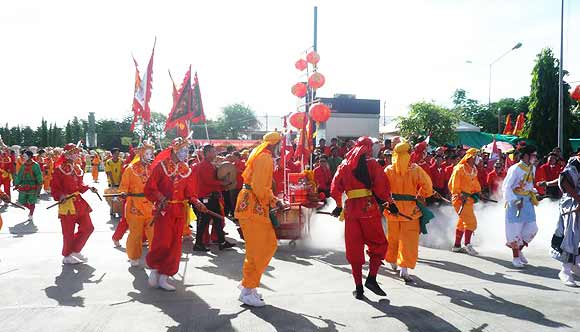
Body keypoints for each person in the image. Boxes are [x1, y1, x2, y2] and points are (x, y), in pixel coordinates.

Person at [330, 137, 394, 300]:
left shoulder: (344, 164)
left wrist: (338, 205)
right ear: (369, 147)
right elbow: (381, 187)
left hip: (351, 210)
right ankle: (371, 279)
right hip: (369, 209)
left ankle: (358, 288)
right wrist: (390, 202)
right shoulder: (372, 164)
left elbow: (335, 187)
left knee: (354, 248)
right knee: (379, 244)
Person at [145, 137, 208, 291]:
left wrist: (196, 201)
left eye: (187, 150)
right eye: (183, 150)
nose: (185, 153)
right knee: (162, 241)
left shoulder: (186, 170)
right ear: (174, 149)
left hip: (179, 211)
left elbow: (189, 192)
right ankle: (154, 268)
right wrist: (160, 197)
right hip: (164, 211)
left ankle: (165, 276)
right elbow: (150, 188)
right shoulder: (161, 167)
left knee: (175, 245)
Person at [234, 132, 285, 307]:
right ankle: (248, 289)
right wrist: (270, 201)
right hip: (252, 209)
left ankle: (248, 286)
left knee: (261, 247)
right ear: (275, 144)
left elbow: (261, 186)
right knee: (261, 249)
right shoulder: (265, 158)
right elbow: (258, 187)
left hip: (252, 207)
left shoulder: (262, 155)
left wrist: (273, 200)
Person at [384, 141, 434, 282]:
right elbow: (428, 186)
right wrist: (421, 194)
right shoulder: (415, 169)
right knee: (408, 240)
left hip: (392, 209)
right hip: (410, 211)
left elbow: (381, 187)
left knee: (393, 237)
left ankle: (392, 260)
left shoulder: (388, 170)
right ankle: (404, 268)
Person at [51, 143, 98, 264]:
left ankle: (75, 250)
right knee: (68, 232)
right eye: (73, 152)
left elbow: (80, 186)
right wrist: (60, 195)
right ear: (67, 154)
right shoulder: (59, 169)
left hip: (79, 203)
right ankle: (66, 255)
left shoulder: (77, 168)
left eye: (77, 152)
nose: (76, 154)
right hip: (67, 204)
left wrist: (89, 187)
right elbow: (55, 188)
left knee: (88, 228)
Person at [502, 145, 540, 268]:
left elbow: (529, 185)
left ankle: (519, 250)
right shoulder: (515, 169)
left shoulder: (532, 168)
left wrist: (534, 192)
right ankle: (516, 257)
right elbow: (506, 187)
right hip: (516, 203)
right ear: (525, 156)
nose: (535, 157)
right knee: (515, 231)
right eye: (533, 155)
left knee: (532, 229)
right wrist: (514, 201)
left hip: (528, 201)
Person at [118, 142, 155, 267]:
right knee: (136, 233)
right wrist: (123, 192)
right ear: (140, 154)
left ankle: (155, 257)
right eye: (147, 153)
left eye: (151, 153)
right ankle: (133, 256)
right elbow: (123, 186)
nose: (150, 156)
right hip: (135, 205)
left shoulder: (153, 168)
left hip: (150, 205)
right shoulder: (130, 169)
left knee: (154, 232)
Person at [193, 145, 235, 252]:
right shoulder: (204, 165)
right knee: (203, 222)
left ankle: (222, 241)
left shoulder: (210, 165)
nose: (215, 153)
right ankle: (198, 244)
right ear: (206, 153)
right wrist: (223, 183)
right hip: (206, 198)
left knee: (218, 219)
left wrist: (223, 184)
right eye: (213, 151)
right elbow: (208, 181)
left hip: (212, 197)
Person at [550, 155, 580, 286]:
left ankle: (575, 265)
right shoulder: (576, 162)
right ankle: (565, 271)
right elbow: (564, 180)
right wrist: (579, 200)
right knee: (571, 236)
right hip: (573, 203)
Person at [449, 148, 482, 255]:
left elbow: (475, 183)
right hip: (459, 200)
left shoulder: (473, 169)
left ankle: (457, 246)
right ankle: (468, 245)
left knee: (463, 222)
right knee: (471, 222)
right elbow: (454, 184)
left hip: (469, 199)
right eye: (476, 156)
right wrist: (459, 194)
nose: (478, 158)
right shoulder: (459, 169)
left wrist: (478, 191)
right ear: (471, 157)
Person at [14, 150, 43, 221]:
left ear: (30, 157)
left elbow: (39, 176)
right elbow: (19, 175)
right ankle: (31, 209)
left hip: (33, 185)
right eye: (23, 156)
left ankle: (31, 214)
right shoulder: (23, 165)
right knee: (22, 201)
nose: (23, 157)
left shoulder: (36, 165)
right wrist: (17, 184)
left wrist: (39, 185)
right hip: (23, 185)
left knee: (32, 201)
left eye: (25, 156)